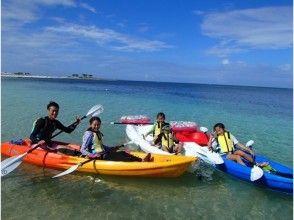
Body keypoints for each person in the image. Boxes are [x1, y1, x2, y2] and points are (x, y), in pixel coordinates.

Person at [80, 116, 153, 162]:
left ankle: (140, 160)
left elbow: (99, 145)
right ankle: (140, 162)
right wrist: (93, 156)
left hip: (103, 153)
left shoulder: (97, 132)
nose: (96, 126)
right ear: (90, 124)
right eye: (94, 125)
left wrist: (110, 148)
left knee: (122, 152)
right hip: (98, 157)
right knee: (120, 157)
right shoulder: (89, 134)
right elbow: (82, 149)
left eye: (98, 124)